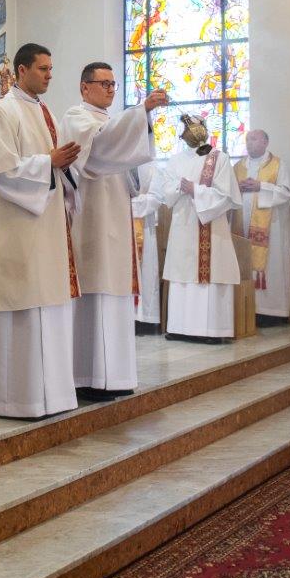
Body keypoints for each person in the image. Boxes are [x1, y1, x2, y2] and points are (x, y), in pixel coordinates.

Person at [0, 43, 82, 418]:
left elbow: (55, 167)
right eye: (42, 68)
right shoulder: (1, 112)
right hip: (19, 230)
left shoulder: (44, 111)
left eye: (51, 69)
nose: (49, 75)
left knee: (50, 308)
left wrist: (63, 168)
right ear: (22, 70)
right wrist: (48, 163)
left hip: (48, 227)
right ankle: (18, 400)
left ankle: (53, 397)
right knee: (21, 309)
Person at [60, 63, 167, 398]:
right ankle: (87, 377)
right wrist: (141, 112)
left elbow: (131, 166)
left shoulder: (112, 121)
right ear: (84, 87)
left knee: (115, 295)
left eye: (112, 84)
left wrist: (140, 120)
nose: (109, 89)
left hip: (117, 219)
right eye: (103, 83)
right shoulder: (76, 118)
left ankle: (116, 377)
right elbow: (100, 151)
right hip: (92, 223)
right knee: (94, 294)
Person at [152, 115, 242, 342]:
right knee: (182, 274)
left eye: (195, 127)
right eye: (187, 128)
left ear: (204, 129)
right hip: (183, 225)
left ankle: (212, 331)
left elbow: (226, 195)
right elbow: (167, 190)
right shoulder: (175, 160)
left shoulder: (219, 158)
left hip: (210, 226)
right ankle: (179, 327)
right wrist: (179, 188)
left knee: (209, 275)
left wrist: (195, 190)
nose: (191, 132)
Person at [235, 129, 290, 325]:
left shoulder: (277, 164)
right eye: (247, 139)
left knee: (271, 266)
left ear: (265, 142)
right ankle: (246, 308)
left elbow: (286, 192)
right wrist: (237, 188)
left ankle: (270, 312)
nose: (249, 143)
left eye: (254, 139)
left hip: (270, 228)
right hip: (242, 227)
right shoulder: (238, 166)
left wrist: (261, 187)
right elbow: (228, 192)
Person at [131, 161, 164, 332]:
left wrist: (128, 205)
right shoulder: (117, 164)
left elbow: (156, 197)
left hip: (144, 227)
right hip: (119, 226)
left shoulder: (152, 167)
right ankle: (126, 316)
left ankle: (144, 319)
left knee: (146, 272)